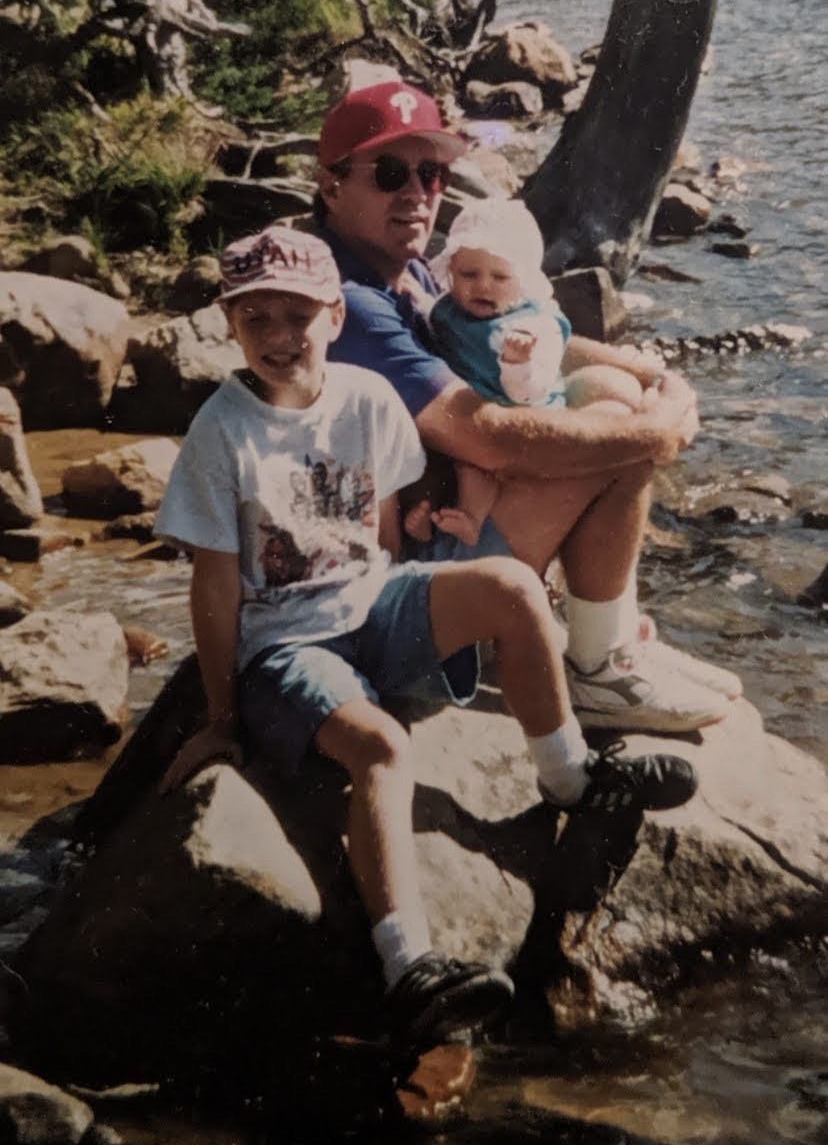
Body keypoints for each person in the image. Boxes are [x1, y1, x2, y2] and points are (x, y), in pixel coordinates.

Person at [155, 224, 698, 1048]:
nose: (278, 337)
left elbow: (378, 528)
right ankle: (408, 964)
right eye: (254, 318)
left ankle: (571, 780)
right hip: (287, 645)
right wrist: (222, 717)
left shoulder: (366, 399)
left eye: (296, 315)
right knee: (380, 748)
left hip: (369, 602)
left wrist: (421, 584)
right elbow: (216, 579)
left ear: (335, 316)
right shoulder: (220, 432)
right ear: (231, 326)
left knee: (512, 588)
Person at [314, 78, 743, 732]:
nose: (416, 193)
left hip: (439, 522)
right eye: (390, 171)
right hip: (399, 592)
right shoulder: (350, 303)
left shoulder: (415, 272)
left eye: (431, 173)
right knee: (618, 442)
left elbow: (529, 342)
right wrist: (654, 434)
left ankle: (613, 638)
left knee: (612, 395)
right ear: (331, 183)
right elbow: (489, 436)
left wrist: (651, 374)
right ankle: (600, 671)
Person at [410, 196, 647, 545]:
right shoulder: (454, 308)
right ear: (451, 272)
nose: (483, 286)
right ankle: (431, 524)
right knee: (440, 459)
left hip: (522, 413)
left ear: (523, 280)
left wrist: (518, 363)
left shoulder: (535, 326)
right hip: (473, 411)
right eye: (469, 274)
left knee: (475, 471)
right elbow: (435, 316)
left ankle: (471, 522)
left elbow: (529, 392)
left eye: (499, 276)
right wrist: (417, 295)